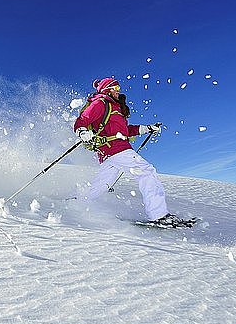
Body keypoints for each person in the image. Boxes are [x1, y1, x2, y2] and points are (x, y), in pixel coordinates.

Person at [73, 77, 184, 226]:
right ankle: (159, 215)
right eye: (115, 89)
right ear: (107, 89)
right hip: (117, 149)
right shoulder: (101, 103)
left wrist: (147, 128)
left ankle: (74, 203)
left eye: (119, 89)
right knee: (146, 171)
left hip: (109, 154)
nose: (118, 92)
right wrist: (82, 131)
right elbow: (82, 119)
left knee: (101, 186)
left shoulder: (116, 109)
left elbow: (127, 131)